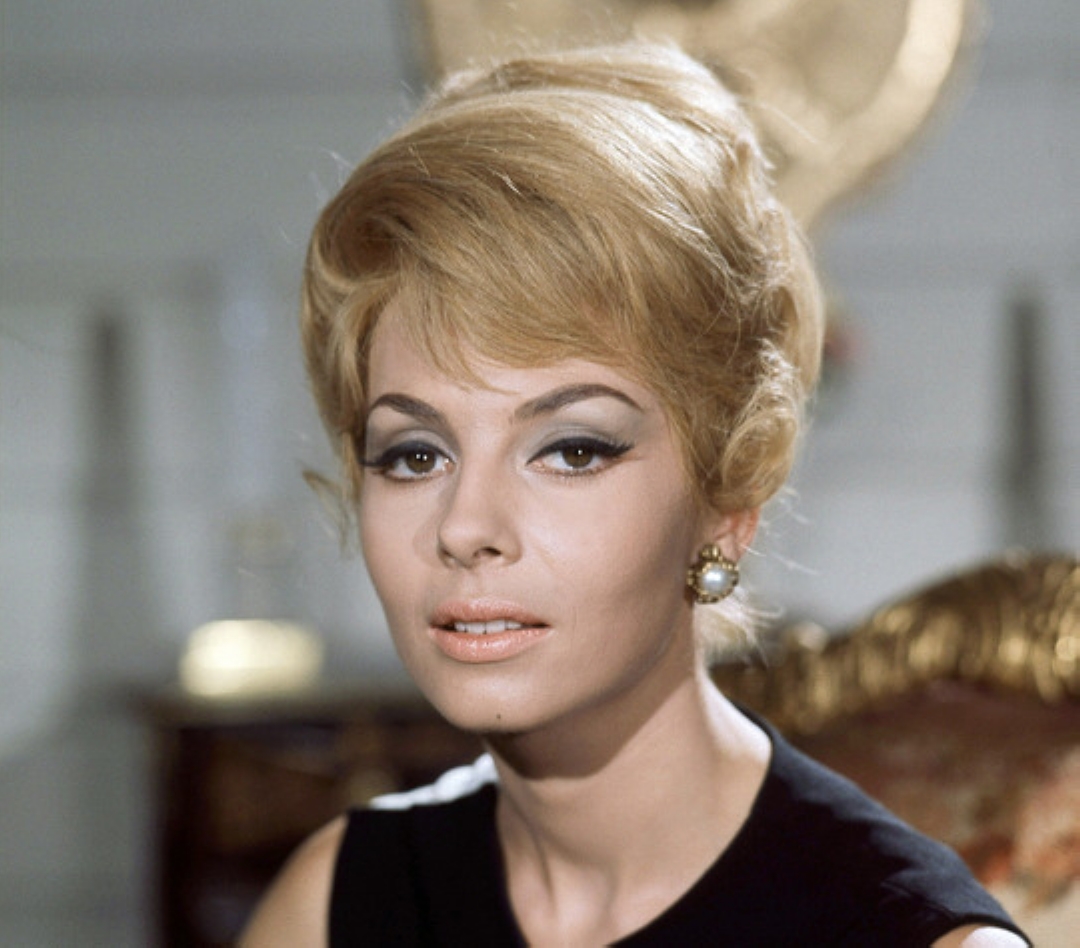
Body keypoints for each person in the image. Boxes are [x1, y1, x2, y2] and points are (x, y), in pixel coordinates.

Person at [241, 42, 1028, 947]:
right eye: (415, 456)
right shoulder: (337, 904)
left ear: (729, 496)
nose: (465, 526)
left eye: (571, 450)